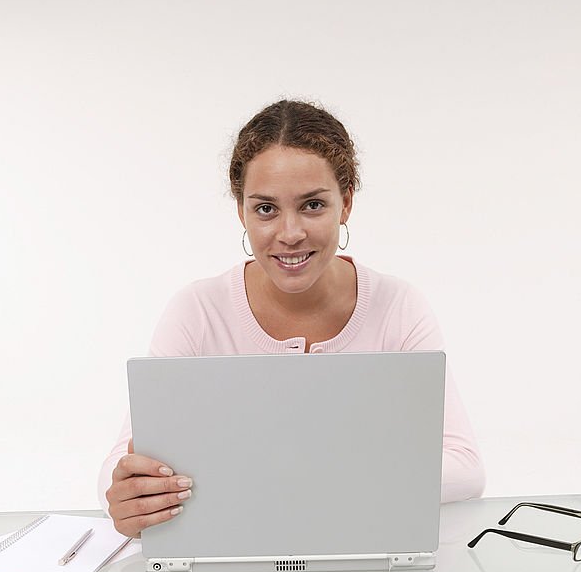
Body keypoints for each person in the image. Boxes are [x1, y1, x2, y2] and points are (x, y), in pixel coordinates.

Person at [100, 99, 485, 537]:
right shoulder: (197, 311)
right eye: (265, 209)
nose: (289, 233)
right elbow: (118, 468)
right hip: (232, 553)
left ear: (346, 203)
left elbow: (465, 467)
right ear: (241, 211)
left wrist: (298, 477)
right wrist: (129, 495)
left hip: (364, 548)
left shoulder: (398, 306)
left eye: (313, 206)